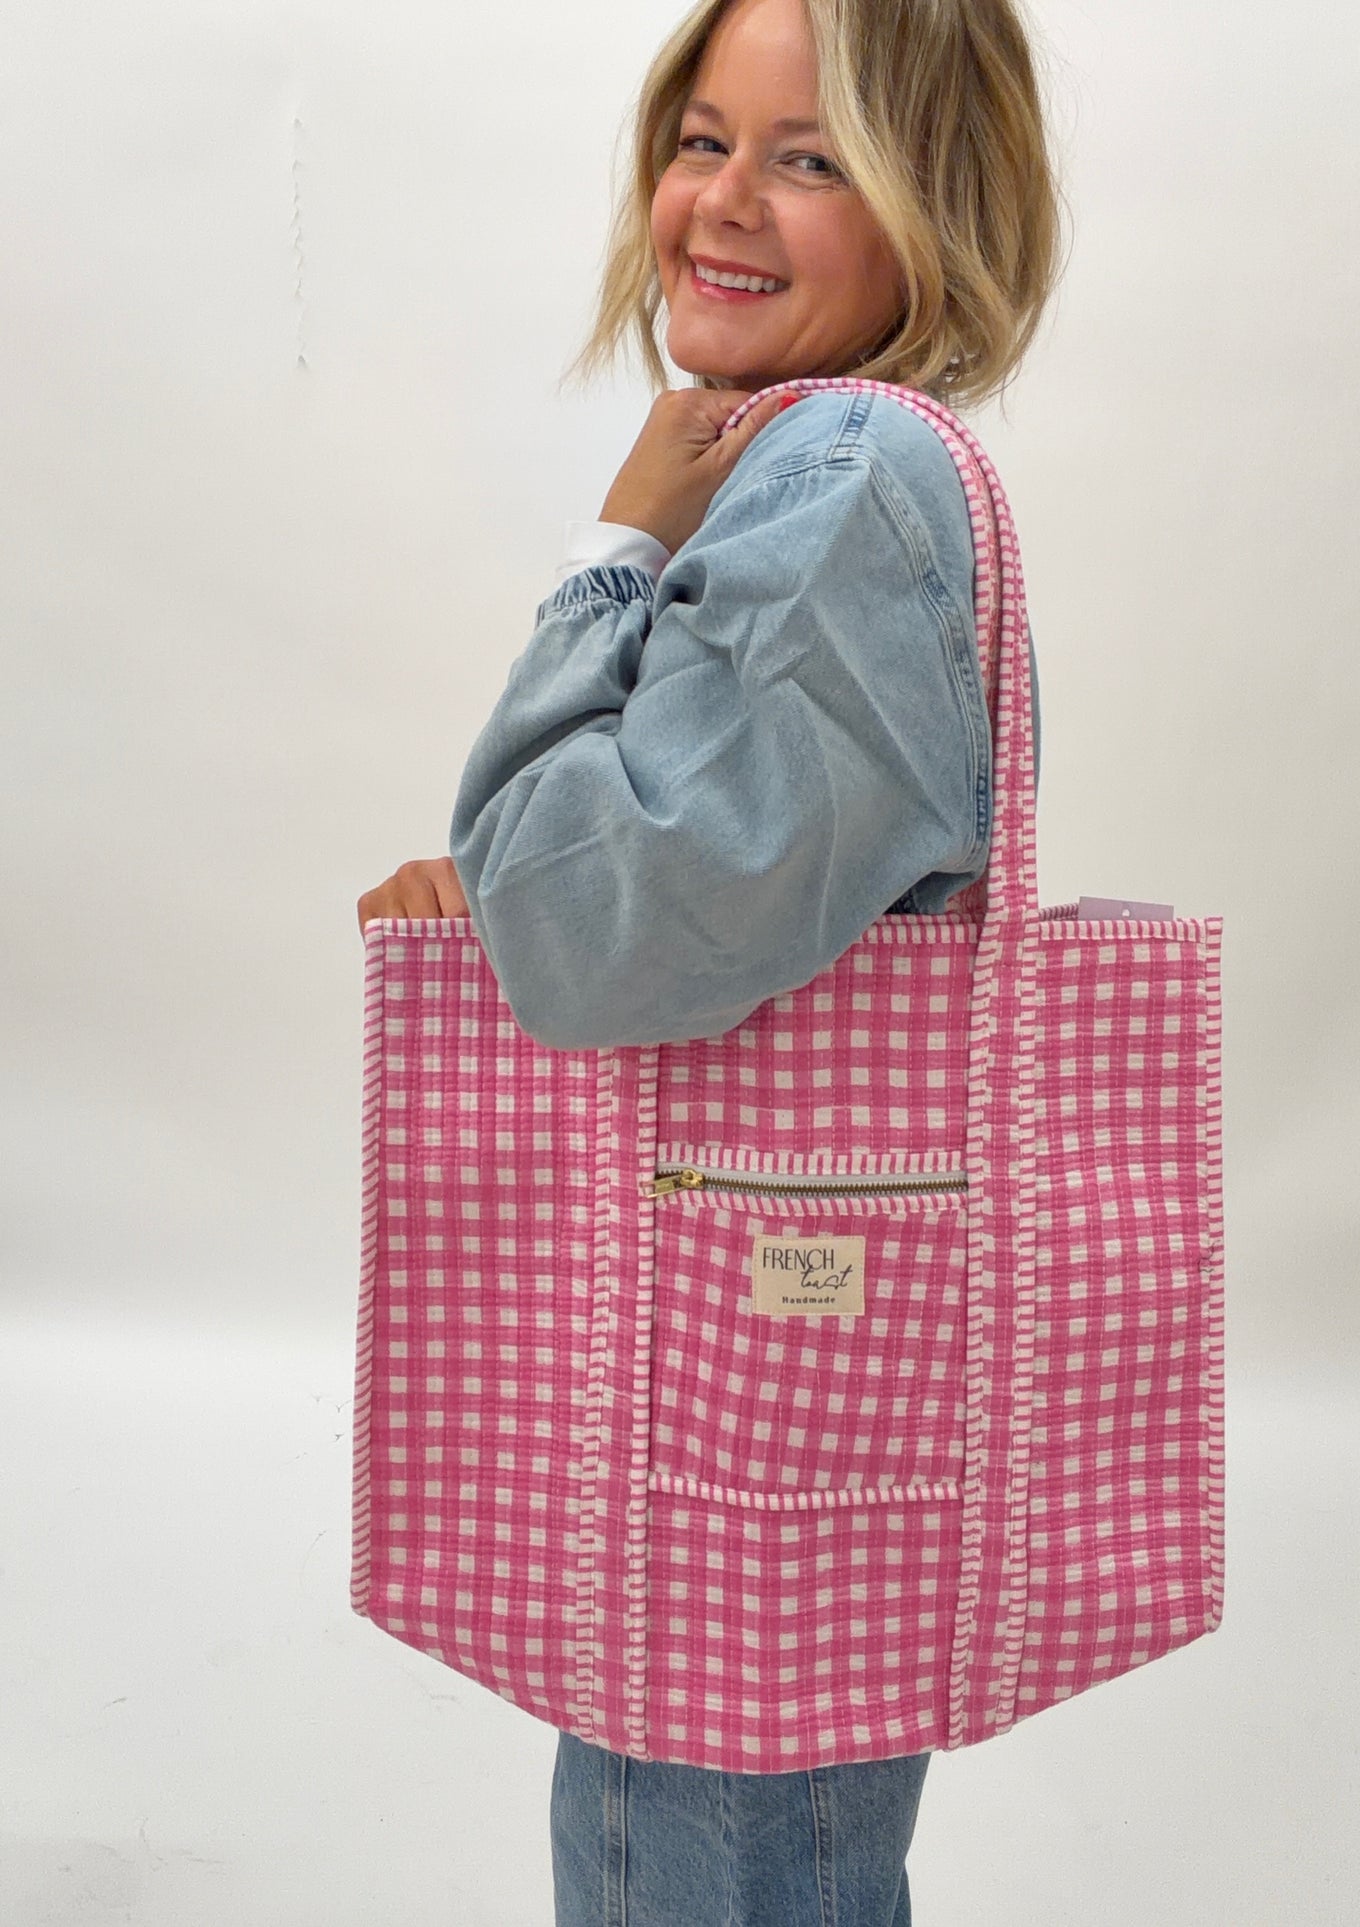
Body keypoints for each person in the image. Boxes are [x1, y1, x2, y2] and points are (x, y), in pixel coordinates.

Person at [358, 0, 1062, 1915]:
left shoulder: (837, 473)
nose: (723, 202)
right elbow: (679, 889)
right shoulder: (833, 465)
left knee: (716, 1835)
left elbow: (592, 939)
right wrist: (517, 880)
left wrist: (613, 555)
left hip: (748, 1376)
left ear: (935, 207)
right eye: (701, 139)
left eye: (810, 158)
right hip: (783, 1343)